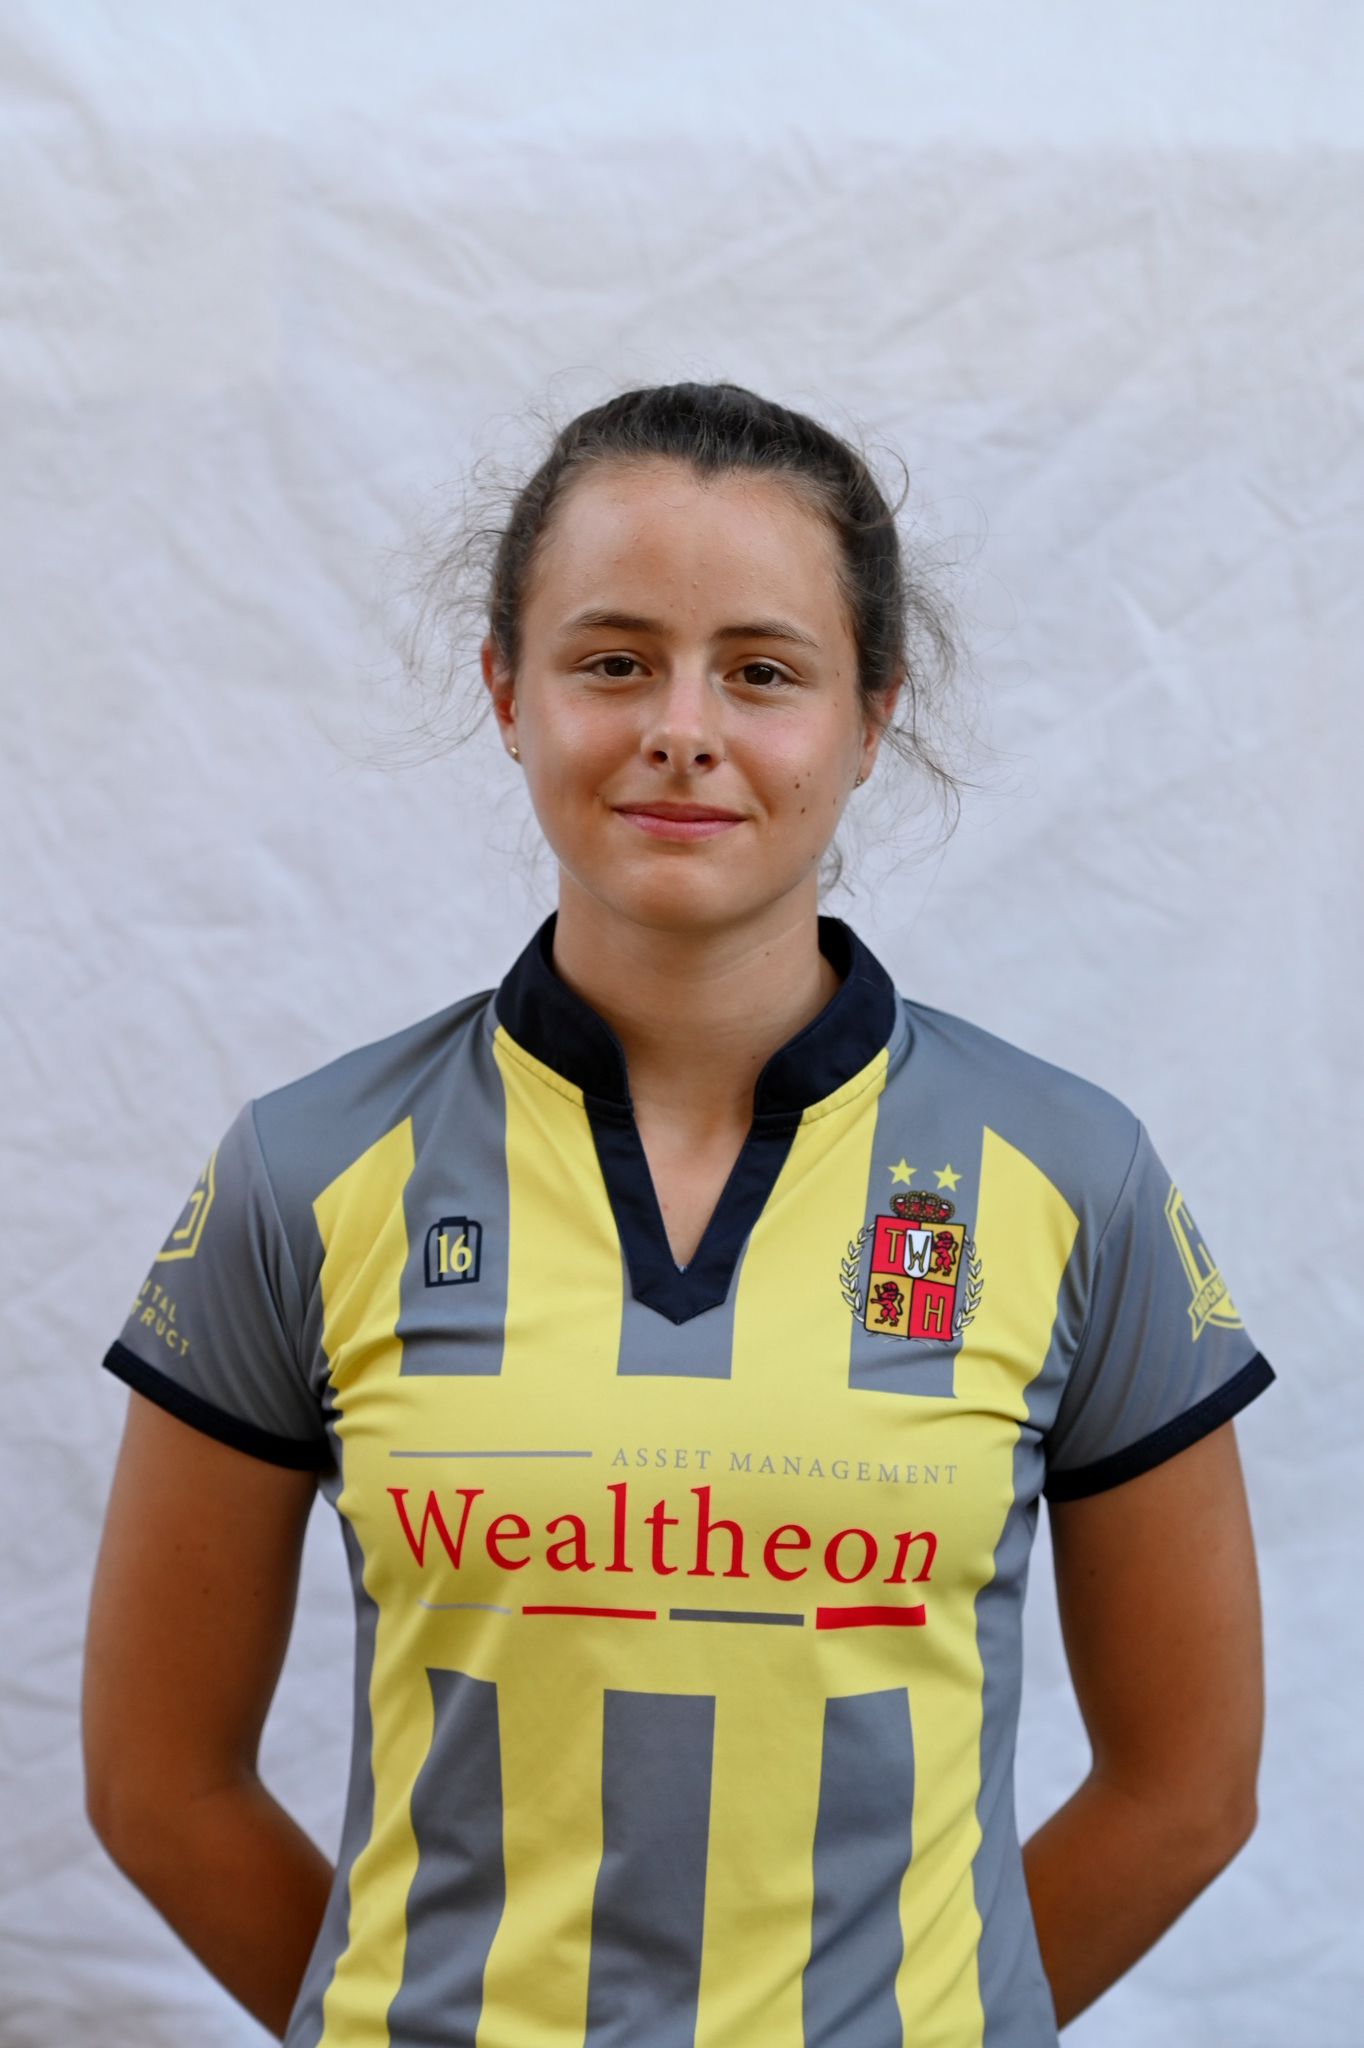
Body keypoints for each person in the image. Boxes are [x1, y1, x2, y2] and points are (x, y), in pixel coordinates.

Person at [83, 381, 1274, 2047]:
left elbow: (1188, 1788)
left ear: (872, 716)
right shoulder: (308, 1174)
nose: (684, 728)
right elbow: (158, 1781)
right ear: (508, 693)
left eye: (764, 671)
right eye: (614, 661)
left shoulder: (1074, 1179)